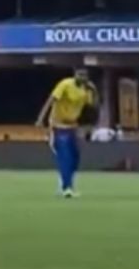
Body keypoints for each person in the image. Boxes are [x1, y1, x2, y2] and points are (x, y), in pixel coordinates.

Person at [35, 68, 98, 197]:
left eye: (84, 75)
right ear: (74, 75)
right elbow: (51, 100)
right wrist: (41, 118)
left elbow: (93, 105)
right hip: (58, 125)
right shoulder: (65, 84)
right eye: (79, 74)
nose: (82, 77)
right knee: (65, 156)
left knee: (75, 156)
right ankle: (66, 188)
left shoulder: (85, 90)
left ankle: (65, 181)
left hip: (72, 126)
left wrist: (94, 91)